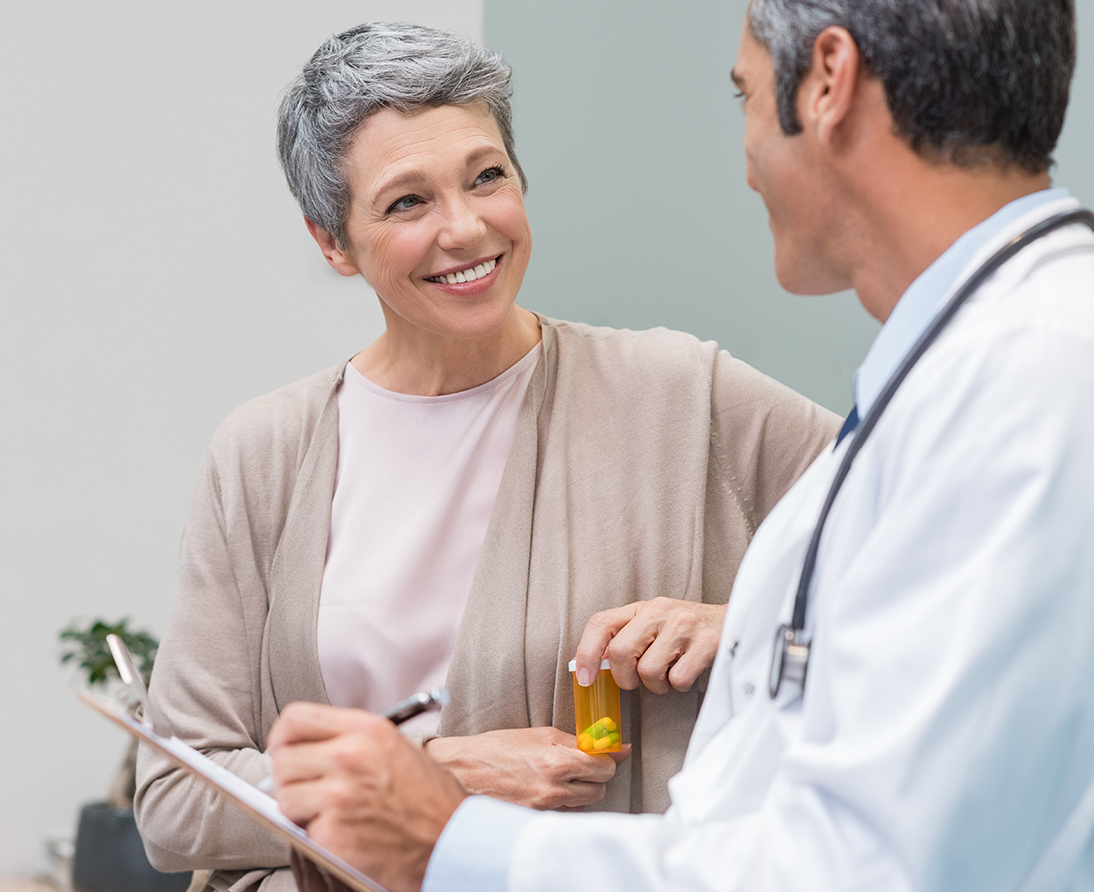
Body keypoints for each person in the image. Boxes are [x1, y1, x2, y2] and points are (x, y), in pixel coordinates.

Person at [265, 1, 1094, 890]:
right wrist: (747, 630)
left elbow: (863, 868)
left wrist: (450, 840)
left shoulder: (1029, 381)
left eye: (742, 94)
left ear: (828, 81)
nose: (744, 162)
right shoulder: (972, 371)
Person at [132, 21, 839, 892]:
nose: (466, 228)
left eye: (486, 177)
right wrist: (442, 776)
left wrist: (741, 623)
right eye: (406, 202)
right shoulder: (264, 453)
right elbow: (174, 795)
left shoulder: (683, 392)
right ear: (331, 242)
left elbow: (935, 556)